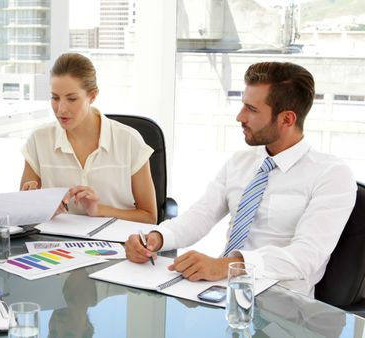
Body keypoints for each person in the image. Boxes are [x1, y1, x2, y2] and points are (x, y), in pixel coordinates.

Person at [125, 61, 357, 297]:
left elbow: (306, 256)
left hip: (283, 305)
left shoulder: (331, 174)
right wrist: (156, 238)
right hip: (222, 293)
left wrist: (228, 265)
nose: (239, 117)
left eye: (252, 109)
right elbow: (200, 216)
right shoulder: (240, 162)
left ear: (286, 119)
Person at [21, 53, 157, 224]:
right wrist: (38, 205)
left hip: (117, 244)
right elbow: (24, 212)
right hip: (57, 244)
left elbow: (149, 217)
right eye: (55, 98)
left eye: (72, 99)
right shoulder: (39, 139)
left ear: (92, 96)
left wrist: (99, 210)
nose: (61, 109)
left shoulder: (129, 141)